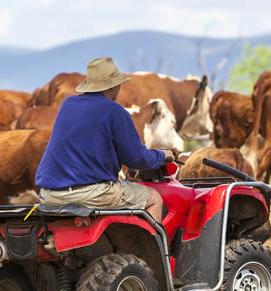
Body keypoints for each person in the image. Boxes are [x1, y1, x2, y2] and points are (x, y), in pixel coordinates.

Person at [35, 57, 173, 221]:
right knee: (154, 199)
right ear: (114, 86)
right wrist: (162, 155)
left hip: (50, 194)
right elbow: (136, 159)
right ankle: (153, 246)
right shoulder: (115, 111)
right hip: (91, 194)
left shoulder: (68, 104)